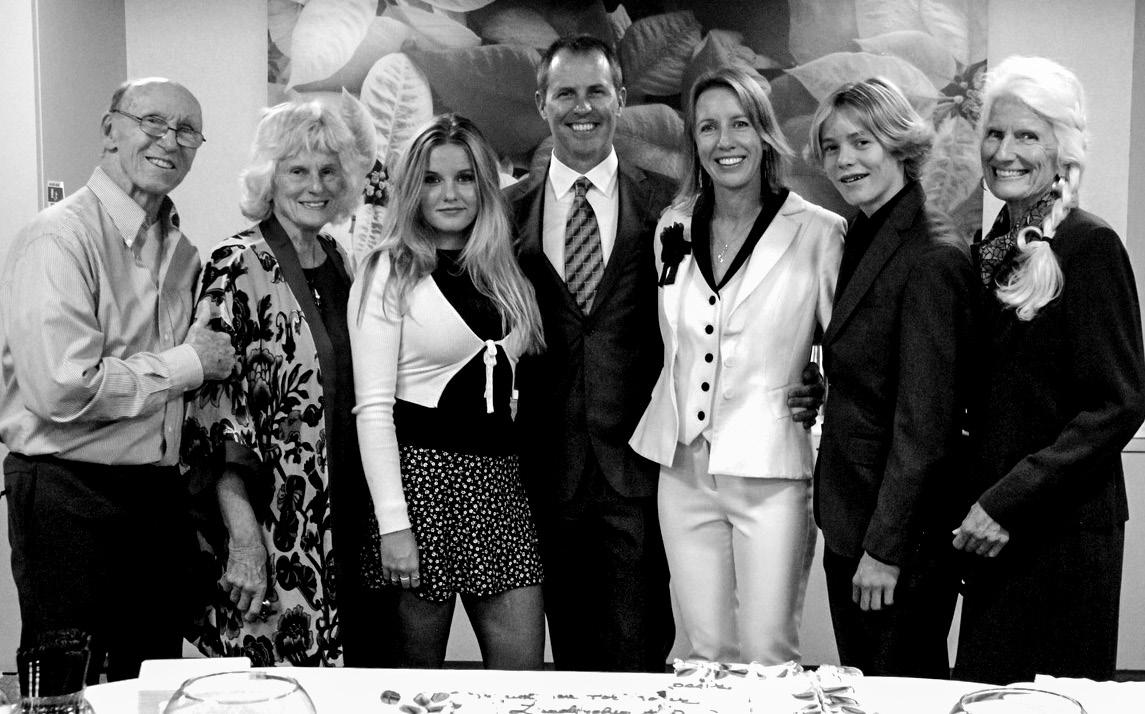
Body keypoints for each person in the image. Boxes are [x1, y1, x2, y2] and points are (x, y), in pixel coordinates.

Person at [509, 36, 825, 673]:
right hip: (549, 472)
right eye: (565, 93)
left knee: (647, 655)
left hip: (645, 469)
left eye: (597, 91)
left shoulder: (667, 207)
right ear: (542, 103)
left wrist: (812, 376)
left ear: (621, 98)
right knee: (571, 658)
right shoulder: (507, 211)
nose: (581, 107)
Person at [0, 77, 234, 682]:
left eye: (187, 131)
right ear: (110, 130)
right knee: (65, 681)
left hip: (154, 495)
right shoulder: (59, 237)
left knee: (149, 676)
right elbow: (62, 389)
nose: (169, 140)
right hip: (67, 490)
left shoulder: (183, 252)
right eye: (152, 122)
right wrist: (190, 364)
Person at [628, 67, 844, 665]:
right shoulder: (673, 225)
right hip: (682, 468)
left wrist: (821, 388)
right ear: (694, 142)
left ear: (764, 133)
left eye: (740, 124)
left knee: (767, 653)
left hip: (770, 471)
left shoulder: (819, 232)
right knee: (701, 653)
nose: (725, 141)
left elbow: (852, 349)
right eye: (708, 128)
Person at [951, 56, 1145, 685]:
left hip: (1060, 538)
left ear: (1062, 150)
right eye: (995, 133)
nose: (1004, 152)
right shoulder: (991, 250)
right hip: (991, 532)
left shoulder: (1090, 245)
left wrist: (1006, 502)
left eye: (1027, 136)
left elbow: (1118, 403)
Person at [181, 95, 390, 667]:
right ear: (270, 177)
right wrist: (244, 538)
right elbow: (216, 417)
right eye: (298, 170)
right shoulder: (235, 263)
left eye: (329, 171)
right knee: (276, 687)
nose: (315, 185)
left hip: (344, 519)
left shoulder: (339, 260)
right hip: (273, 527)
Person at [350, 113, 547, 669]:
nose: (450, 194)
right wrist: (394, 526)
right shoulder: (388, 270)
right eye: (433, 180)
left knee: (523, 685)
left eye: (464, 178)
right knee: (411, 693)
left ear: (484, 184)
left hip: (499, 488)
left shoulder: (503, 268)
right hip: (419, 491)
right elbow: (373, 410)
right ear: (413, 188)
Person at [808, 77, 975, 678]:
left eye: (862, 142)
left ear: (900, 144)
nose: (844, 160)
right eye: (832, 147)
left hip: (897, 542)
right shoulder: (865, 230)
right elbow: (872, 370)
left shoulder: (932, 253)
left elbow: (925, 426)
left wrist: (885, 549)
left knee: (900, 690)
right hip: (853, 518)